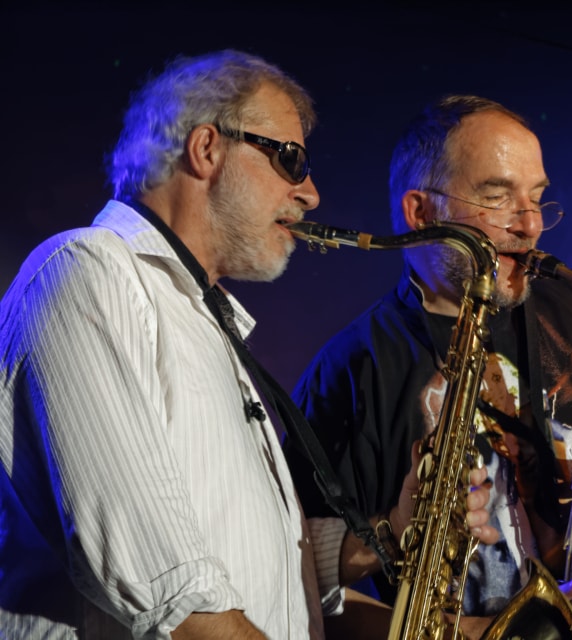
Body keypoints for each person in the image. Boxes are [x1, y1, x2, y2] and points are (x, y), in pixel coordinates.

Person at [0, 50, 497, 640]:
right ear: (207, 149)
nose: (311, 194)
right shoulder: (88, 269)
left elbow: (260, 570)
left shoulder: (202, 317)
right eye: (290, 160)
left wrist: (390, 536)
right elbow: (178, 600)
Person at [285, 94, 572, 637]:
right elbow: (300, 585)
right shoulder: (352, 368)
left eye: (538, 198)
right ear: (421, 213)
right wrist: (469, 634)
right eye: (498, 197)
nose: (531, 224)